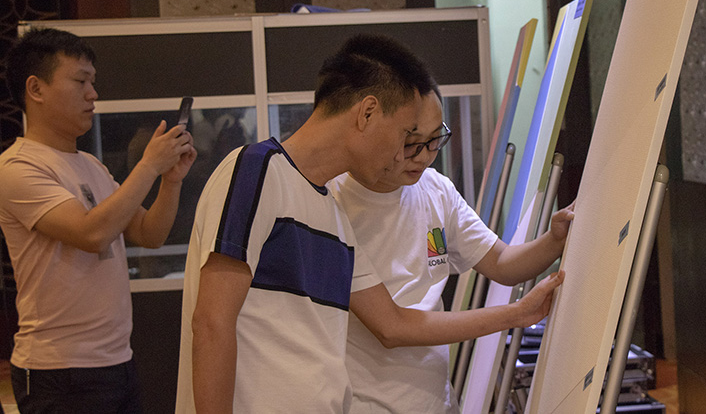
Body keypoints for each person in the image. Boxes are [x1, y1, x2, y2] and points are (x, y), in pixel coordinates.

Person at [176, 34, 565, 413]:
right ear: (367, 113)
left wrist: (519, 310)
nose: (403, 156)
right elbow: (211, 324)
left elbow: (390, 320)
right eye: (405, 136)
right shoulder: (257, 171)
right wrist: (516, 313)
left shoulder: (330, 212)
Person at [328, 87, 574, 413]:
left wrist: (554, 239)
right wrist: (516, 314)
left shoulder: (436, 188)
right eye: (412, 143)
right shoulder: (332, 203)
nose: (425, 156)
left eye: (436, 139)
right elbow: (392, 328)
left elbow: (502, 262)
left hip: (438, 401)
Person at [0, 28, 197, 413]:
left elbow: (149, 234)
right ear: (36, 89)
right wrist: (149, 165)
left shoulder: (90, 165)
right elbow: (92, 233)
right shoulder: (17, 167)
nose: (93, 94)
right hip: (58, 370)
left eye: (93, 82)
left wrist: (170, 180)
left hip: (116, 360)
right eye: (80, 81)